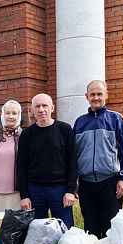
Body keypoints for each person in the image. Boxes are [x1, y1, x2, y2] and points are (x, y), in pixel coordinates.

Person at [73, 80, 123, 238]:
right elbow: (73, 155)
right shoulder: (80, 122)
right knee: (90, 229)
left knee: (110, 228)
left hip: (110, 182)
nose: (96, 97)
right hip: (86, 184)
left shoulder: (116, 119)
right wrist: (74, 182)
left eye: (99, 94)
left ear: (106, 95)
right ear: (87, 97)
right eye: (92, 94)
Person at [17, 93, 77, 229]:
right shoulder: (27, 135)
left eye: (45, 105)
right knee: (37, 233)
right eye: (37, 106)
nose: (41, 109)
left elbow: (73, 161)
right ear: (32, 110)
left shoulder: (65, 130)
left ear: (52, 108)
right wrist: (24, 195)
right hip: (35, 191)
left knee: (65, 231)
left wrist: (70, 190)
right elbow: (21, 166)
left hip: (60, 190)